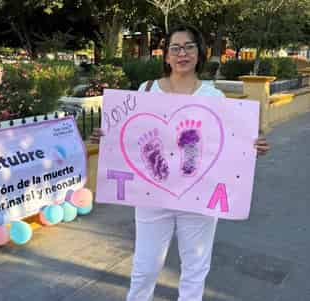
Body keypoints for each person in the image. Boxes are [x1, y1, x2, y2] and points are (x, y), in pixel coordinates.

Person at [90, 24, 270, 301]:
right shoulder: (146, 90)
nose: (182, 53)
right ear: (166, 55)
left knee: (195, 267)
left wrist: (251, 147)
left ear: (200, 53)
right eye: (175, 48)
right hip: (151, 196)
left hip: (199, 196)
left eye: (189, 47)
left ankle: (185, 155)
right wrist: (106, 135)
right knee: (145, 266)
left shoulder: (214, 98)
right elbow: (126, 135)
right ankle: (164, 158)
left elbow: (229, 143)